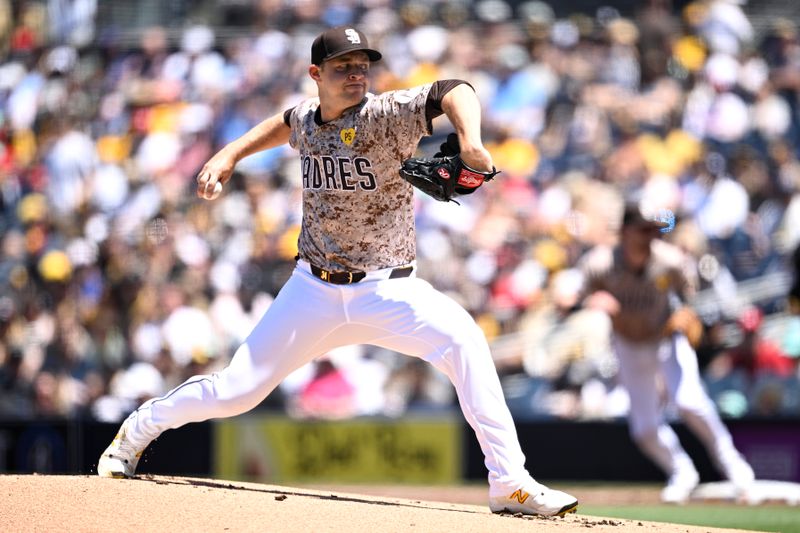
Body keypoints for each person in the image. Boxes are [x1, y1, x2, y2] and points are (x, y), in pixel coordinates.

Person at [96, 26, 578, 518]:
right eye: (343, 66)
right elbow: (285, 122)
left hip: (388, 290)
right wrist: (228, 155)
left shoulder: (386, 114)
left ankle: (509, 483)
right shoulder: (308, 118)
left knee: (466, 341)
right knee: (235, 392)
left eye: (362, 65)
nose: (355, 73)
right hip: (313, 290)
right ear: (316, 75)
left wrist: (471, 142)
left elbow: (454, 88)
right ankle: (135, 433)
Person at [580, 204, 755, 503]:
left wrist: (688, 313)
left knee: (689, 402)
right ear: (624, 231)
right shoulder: (600, 263)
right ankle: (682, 472)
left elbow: (691, 296)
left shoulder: (670, 261)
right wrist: (594, 299)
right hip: (628, 344)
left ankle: (734, 466)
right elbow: (580, 295)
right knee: (644, 428)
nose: (650, 235)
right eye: (643, 229)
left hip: (665, 339)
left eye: (653, 229)